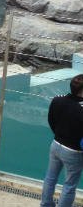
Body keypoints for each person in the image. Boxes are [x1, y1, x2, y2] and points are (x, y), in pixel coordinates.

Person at [40, 74, 83, 207]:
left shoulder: (57, 100)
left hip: (56, 145)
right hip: (73, 151)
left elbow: (51, 120)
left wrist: (59, 134)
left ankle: (46, 204)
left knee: (50, 178)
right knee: (69, 185)